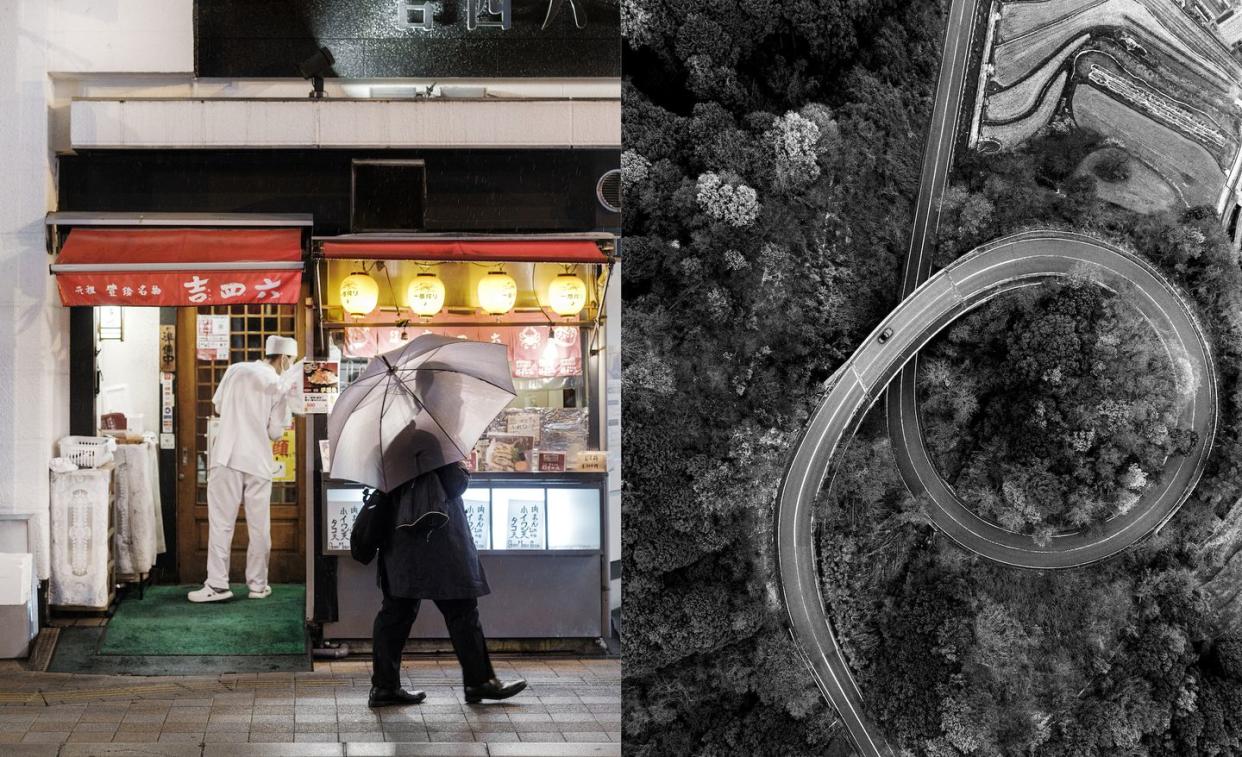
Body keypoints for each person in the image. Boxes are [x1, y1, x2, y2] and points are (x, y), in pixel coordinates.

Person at [368, 455, 527, 707]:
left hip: (400, 541)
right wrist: (461, 468)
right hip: (439, 541)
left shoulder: (389, 445)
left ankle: (384, 686)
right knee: (462, 611)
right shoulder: (434, 444)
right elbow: (454, 485)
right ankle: (479, 681)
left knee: (395, 613)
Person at [188, 335, 301, 603]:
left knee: (221, 524)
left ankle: (217, 585)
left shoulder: (236, 370)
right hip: (259, 461)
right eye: (292, 360)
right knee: (260, 526)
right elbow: (274, 433)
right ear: (284, 358)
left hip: (226, 456)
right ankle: (258, 586)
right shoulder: (280, 385)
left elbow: (217, 406)